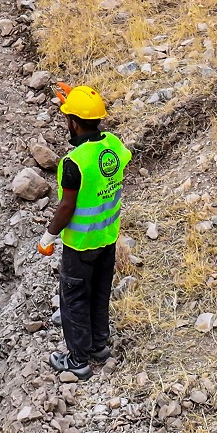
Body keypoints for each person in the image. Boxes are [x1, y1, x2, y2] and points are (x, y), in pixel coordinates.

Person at [36, 84, 130, 380]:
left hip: (80, 245)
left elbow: (66, 207)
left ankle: (78, 359)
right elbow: (119, 159)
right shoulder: (113, 145)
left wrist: (48, 237)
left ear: (73, 123)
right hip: (107, 238)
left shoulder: (73, 163)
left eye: (68, 118)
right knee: (100, 291)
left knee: (74, 298)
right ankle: (99, 346)